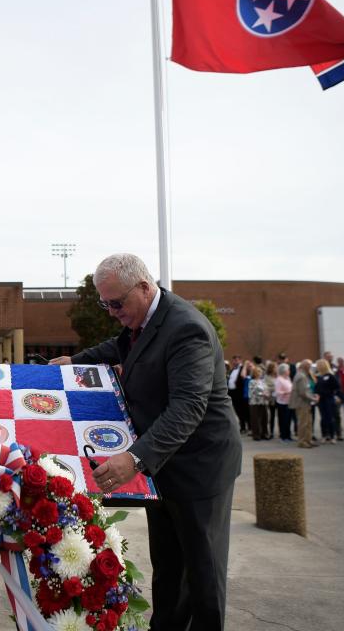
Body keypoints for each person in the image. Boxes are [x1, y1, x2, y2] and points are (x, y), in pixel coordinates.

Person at [50, 253, 241, 631]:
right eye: (105, 304)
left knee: (203, 577)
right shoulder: (145, 320)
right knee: (168, 570)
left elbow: (188, 407)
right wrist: (74, 361)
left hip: (200, 469)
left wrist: (134, 459)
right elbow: (118, 348)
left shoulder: (187, 329)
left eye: (116, 303)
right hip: (166, 467)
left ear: (143, 286)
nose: (110, 311)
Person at [290, 360, 318, 448]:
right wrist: (313, 398)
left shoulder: (304, 375)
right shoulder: (301, 376)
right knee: (303, 423)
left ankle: (308, 440)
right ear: (305, 366)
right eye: (310, 366)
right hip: (302, 403)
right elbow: (303, 392)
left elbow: (307, 389)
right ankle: (302, 441)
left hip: (306, 403)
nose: (311, 368)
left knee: (308, 422)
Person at [314, 359, 341, 443]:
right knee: (323, 418)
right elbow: (316, 388)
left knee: (330, 417)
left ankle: (332, 436)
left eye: (318, 365)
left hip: (329, 399)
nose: (317, 367)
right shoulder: (318, 377)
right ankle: (324, 435)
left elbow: (337, 387)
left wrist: (335, 395)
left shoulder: (330, 376)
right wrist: (316, 395)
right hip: (321, 400)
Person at [248, 367, 270, 441]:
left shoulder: (263, 381)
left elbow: (267, 389)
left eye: (261, 372)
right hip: (255, 403)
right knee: (255, 419)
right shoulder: (252, 382)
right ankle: (256, 435)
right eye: (259, 371)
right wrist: (262, 394)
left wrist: (267, 394)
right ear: (255, 373)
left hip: (263, 402)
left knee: (264, 418)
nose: (260, 373)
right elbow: (253, 391)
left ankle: (264, 433)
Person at [274, 363, 293, 442]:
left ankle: (288, 436)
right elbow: (277, 392)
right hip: (282, 403)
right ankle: (283, 436)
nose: (289, 371)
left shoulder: (287, 378)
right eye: (288, 370)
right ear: (284, 371)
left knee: (288, 420)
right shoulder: (279, 379)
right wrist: (286, 392)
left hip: (289, 402)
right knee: (283, 420)